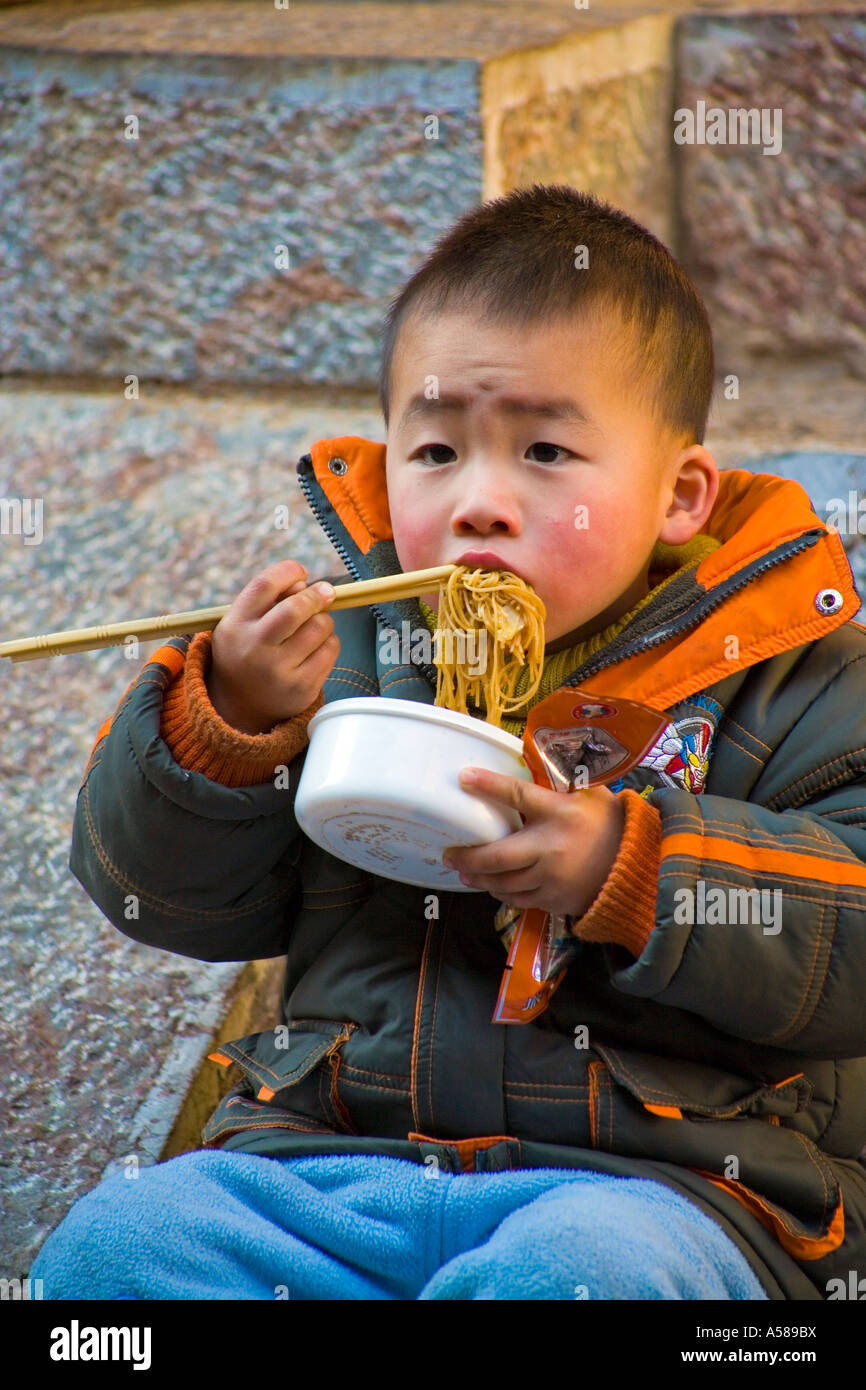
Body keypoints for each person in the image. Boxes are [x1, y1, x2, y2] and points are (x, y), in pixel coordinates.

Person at [31, 185, 866, 1301]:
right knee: (116, 1249)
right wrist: (225, 723)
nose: (477, 500)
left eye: (544, 451)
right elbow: (158, 898)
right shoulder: (347, 651)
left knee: (571, 1276)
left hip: (660, 1194)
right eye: (433, 451)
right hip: (330, 1169)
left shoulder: (796, 682)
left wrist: (628, 870)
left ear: (677, 494)